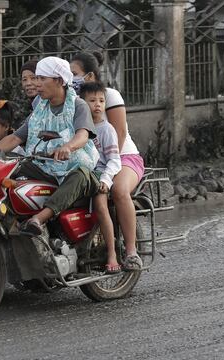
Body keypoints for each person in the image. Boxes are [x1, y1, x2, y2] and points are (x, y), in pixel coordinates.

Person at [0, 56, 100, 235]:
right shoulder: (39, 110)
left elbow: (83, 135)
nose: (36, 84)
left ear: (58, 80)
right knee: (12, 167)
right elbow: (14, 139)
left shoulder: (78, 105)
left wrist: (68, 147)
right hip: (44, 166)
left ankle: (39, 219)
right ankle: (4, 221)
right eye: (35, 78)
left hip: (75, 167)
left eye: (41, 79)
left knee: (80, 176)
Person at [71, 51, 146, 271]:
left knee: (119, 191)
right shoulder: (73, 100)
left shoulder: (109, 95)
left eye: (74, 73)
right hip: (91, 163)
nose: (70, 78)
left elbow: (119, 134)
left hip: (121, 157)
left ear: (89, 75)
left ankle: (131, 252)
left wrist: (107, 172)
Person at [79, 81, 122, 274]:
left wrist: (105, 180)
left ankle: (112, 253)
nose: (97, 104)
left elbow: (114, 160)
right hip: (79, 172)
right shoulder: (77, 127)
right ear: (81, 102)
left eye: (101, 100)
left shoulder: (107, 130)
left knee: (101, 206)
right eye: (92, 100)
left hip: (99, 174)